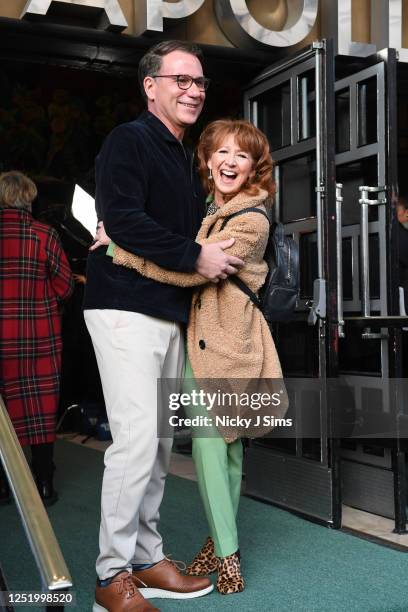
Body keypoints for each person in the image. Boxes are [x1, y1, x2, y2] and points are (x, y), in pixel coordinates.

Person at [83, 40, 244, 612]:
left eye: (199, 82)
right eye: (181, 79)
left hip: (167, 311)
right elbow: (123, 217)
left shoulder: (182, 156)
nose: (193, 90)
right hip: (124, 305)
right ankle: (111, 576)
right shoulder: (129, 139)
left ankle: (148, 559)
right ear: (150, 86)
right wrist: (194, 256)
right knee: (134, 442)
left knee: (159, 444)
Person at [100, 119, 288, 595]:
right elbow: (186, 252)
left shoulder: (250, 219)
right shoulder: (207, 211)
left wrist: (121, 250)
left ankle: (227, 557)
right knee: (223, 448)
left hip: (232, 345)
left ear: (254, 168)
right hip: (206, 345)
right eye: (221, 152)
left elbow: (193, 273)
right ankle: (219, 543)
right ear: (206, 161)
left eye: (241, 155)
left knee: (216, 447)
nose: (229, 161)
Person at [0, 171, 74, 506]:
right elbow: (65, 287)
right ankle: (43, 483)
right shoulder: (44, 235)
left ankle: (3, 487)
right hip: (38, 339)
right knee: (39, 412)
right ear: (28, 199)